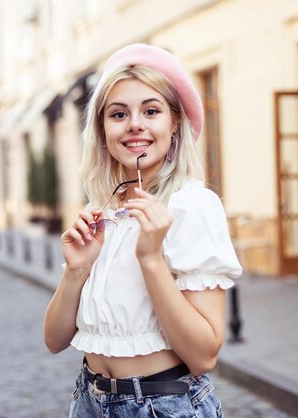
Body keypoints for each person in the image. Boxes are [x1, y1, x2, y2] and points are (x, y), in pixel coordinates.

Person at [43, 43, 242, 418]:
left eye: (151, 111)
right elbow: (54, 340)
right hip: (88, 400)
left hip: (161, 405)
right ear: (102, 130)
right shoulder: (99, 209)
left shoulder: (190, 206)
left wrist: (151, 257)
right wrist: (76, 270)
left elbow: (203, 355)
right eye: (119, 114)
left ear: (175, 124)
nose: (135, 124)